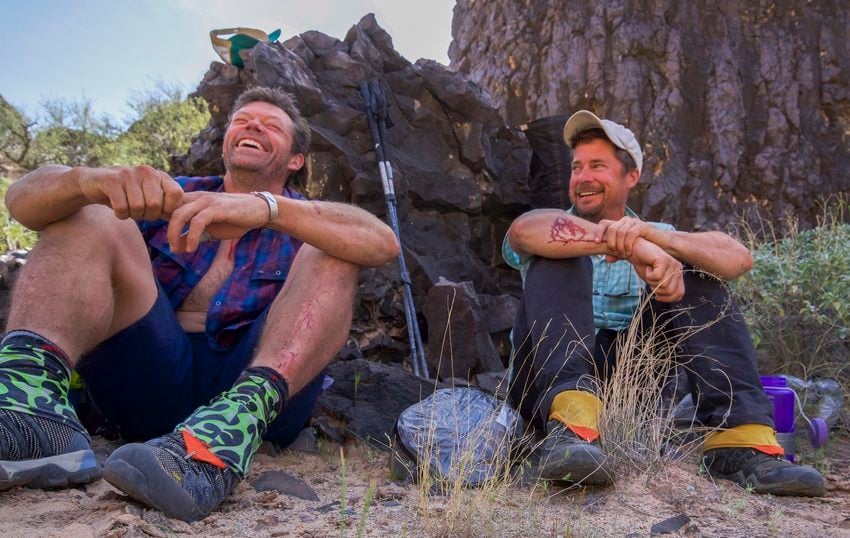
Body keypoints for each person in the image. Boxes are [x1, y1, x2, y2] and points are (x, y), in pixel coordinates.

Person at [0, 87, 399, 521]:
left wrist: (266, 209)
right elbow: (21, 201)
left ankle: (227, 436)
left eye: (271, 125)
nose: (252, 126)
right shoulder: (169, 195)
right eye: (242, 120)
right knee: (91, 209)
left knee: (337, 249)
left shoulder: (307, 216)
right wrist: (86, 181)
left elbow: (381, 242)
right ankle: (28, 409)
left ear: (295, 159)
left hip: (257, 397)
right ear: (227, 139)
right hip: (147, 377)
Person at [503, 110, 826, 496]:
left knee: (697, 272)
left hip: (630, 391)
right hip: (544, 393)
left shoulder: (660, 236)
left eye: (598, 166)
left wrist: (660, 243)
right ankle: (569, 427)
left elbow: (738, 257)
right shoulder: (551, 223)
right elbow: (524, 231)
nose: (582, 177)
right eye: (577, 167)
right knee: (560, 250)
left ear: (631, 176)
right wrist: (630, 247)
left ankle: (739, 442)